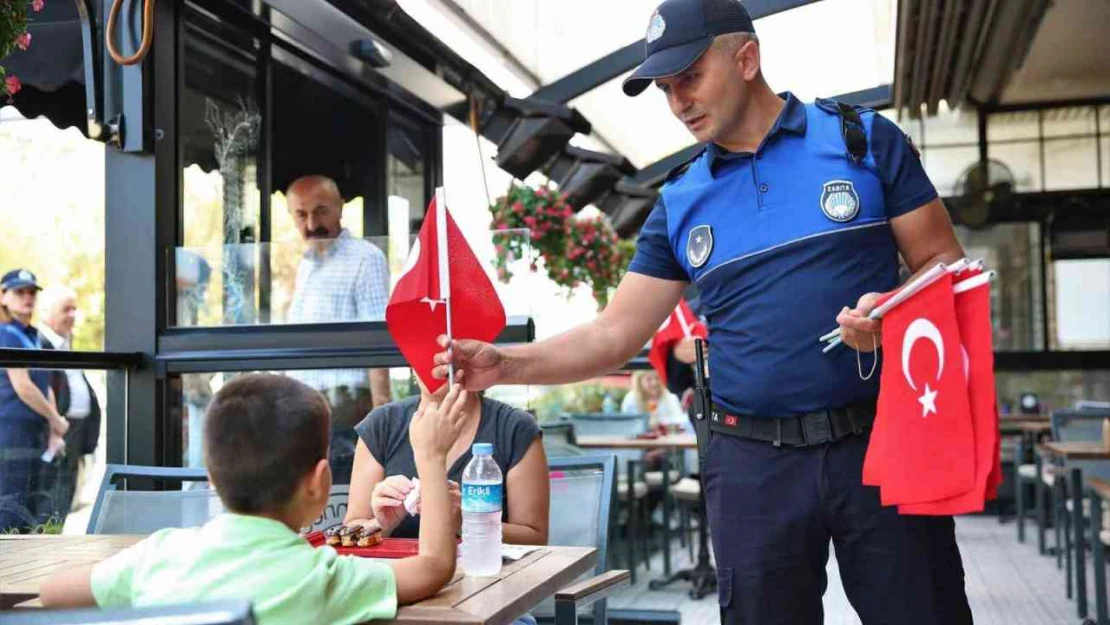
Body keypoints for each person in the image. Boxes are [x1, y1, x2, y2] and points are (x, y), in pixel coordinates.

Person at [432, 1, 972, 623]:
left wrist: (896, 312)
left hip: (881, 442)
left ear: (747, 58)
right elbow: (614, 332)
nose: (678, 102)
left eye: (689, 77)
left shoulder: (862, 141)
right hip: (752, 466)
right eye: (665, 89)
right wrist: (502, 363)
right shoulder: (680, 198)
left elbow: (944, 266)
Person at [39, 374, 465, 624]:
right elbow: (433, 566)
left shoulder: (158, 556)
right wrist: (430, 457)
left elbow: (52, 593)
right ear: (319, 482)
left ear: (212, 476)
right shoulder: (323, 577)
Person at [344, 374, 549, 545]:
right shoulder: (381, 425)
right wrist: (381, 525)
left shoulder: (514, 428)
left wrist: (465, 521)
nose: (436, 364)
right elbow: (350, 533)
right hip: (399, 582)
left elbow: (534, 538)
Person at [284, 175, 393, 484]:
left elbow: (377, 338)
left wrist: (380, 420)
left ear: (340, 208)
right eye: (301, 214)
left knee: (343, 508)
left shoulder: (365, 258)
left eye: (320, 211)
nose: (311, 223)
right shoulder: (306, 264)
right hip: (306, 410)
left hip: (347, 411)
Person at [0, 269, 68, 532]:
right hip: (10, 433)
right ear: (3, 296)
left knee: (30, 505)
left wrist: (54, 426)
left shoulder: (34, 335)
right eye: (19, 292)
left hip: (34, 433)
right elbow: (24, 387)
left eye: (31, 292)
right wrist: (55, 418)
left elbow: (44, 382)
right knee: (10, 505)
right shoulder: (5, 334)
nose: (27, 298)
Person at [38, 286, 102, 522]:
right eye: (66, 309)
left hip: (76, 431)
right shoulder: (39, 343)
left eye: (74, 309)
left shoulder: (66, 343)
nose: (72, 315)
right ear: (46, 312)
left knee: (65, 496)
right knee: (51, 499)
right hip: (56, 431)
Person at [622, 370, 686, 432]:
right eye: (649, 379)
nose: (654, 383)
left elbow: (679, 420)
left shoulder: (669, 396)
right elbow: (628, 424)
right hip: (638, 440)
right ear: (639, 381)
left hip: (668, 439)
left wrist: (660, 424)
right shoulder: (631, 399)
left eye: (657, 378)